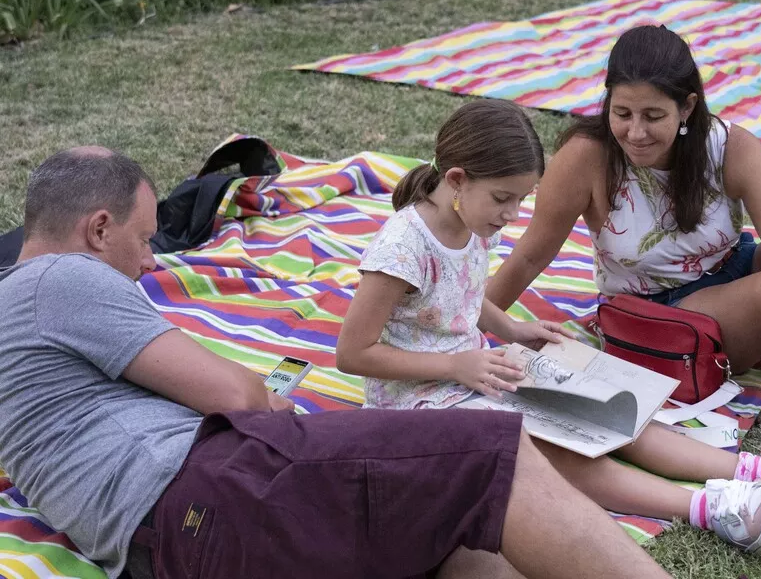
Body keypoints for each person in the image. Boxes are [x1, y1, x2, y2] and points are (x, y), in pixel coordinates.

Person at [0, 146, 677, 579]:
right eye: (146, 239)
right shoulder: (61, 279)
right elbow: (238, 397)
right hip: (209, 491)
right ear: (98, 229)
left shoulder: (18, 314)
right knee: (493, 450)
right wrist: (273, 405)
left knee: (458, 537)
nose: (152, 262)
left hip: (175, 544)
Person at [335, 99, 761, 559]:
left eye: (521, 199)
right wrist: (457, 364)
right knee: (545, 450)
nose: (513, 214)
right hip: (417, 403)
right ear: (457, 180)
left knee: (609, 407)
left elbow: (465, 300)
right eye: (504, 199)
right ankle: (714, 508)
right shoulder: (403, 248)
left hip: (475, 373)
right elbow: (352, 353)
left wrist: (514, 330)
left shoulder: (473, 221)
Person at [485, 24, 761, 438]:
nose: (635, 132)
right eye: (622, 113)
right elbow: (529, 256)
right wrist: (465, 324)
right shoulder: (586, 157)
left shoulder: (728, 146)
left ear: (686, 107)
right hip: (661, 313)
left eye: (653, 116)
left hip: (733, 271)